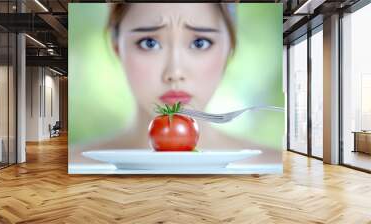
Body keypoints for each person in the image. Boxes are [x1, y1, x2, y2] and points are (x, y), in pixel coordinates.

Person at [77, 3, 280, 166]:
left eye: (200, 42)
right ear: (117, 49)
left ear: (230, 48)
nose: (175, 73)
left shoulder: (274, 165)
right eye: (149, 43)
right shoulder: (75, 165)